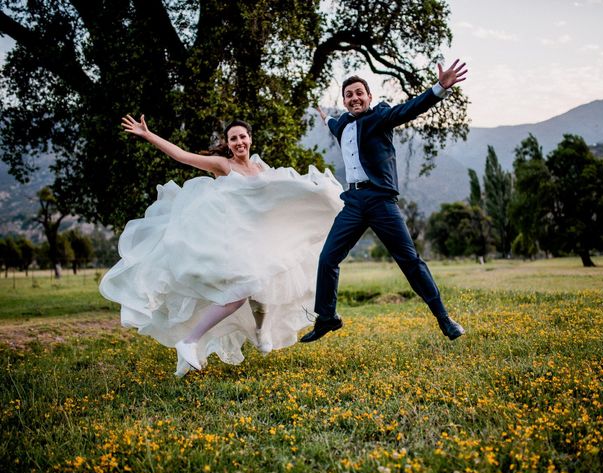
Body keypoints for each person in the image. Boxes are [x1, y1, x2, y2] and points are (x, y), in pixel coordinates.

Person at [100, 116, 343, 376]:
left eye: (242, 137)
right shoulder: (223, 165)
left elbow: (279, 195)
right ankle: (189, 341)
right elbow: (182, 155)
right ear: (228, 144)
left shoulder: (261, 168)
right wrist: (148, 135)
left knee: (266, 290)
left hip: (261, 242)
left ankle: (260, 333)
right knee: (240, 292)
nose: (239, 142)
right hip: (234, 243)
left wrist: (317, 192)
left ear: (250, 139)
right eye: (233, 138)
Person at [300, 59, 468, 343]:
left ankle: (444, 319)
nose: (354, 98)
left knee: (410, 261)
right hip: (353, 202)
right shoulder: (340, 124)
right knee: (328, 258)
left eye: (359, 93)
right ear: (344, 101)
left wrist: (439, 88)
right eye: (349, 95)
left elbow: (410, 108)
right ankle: (327, 318)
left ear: (369, 97)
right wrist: (323, 115)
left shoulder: (381, 116)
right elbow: (330, 121)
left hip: (380, 201)